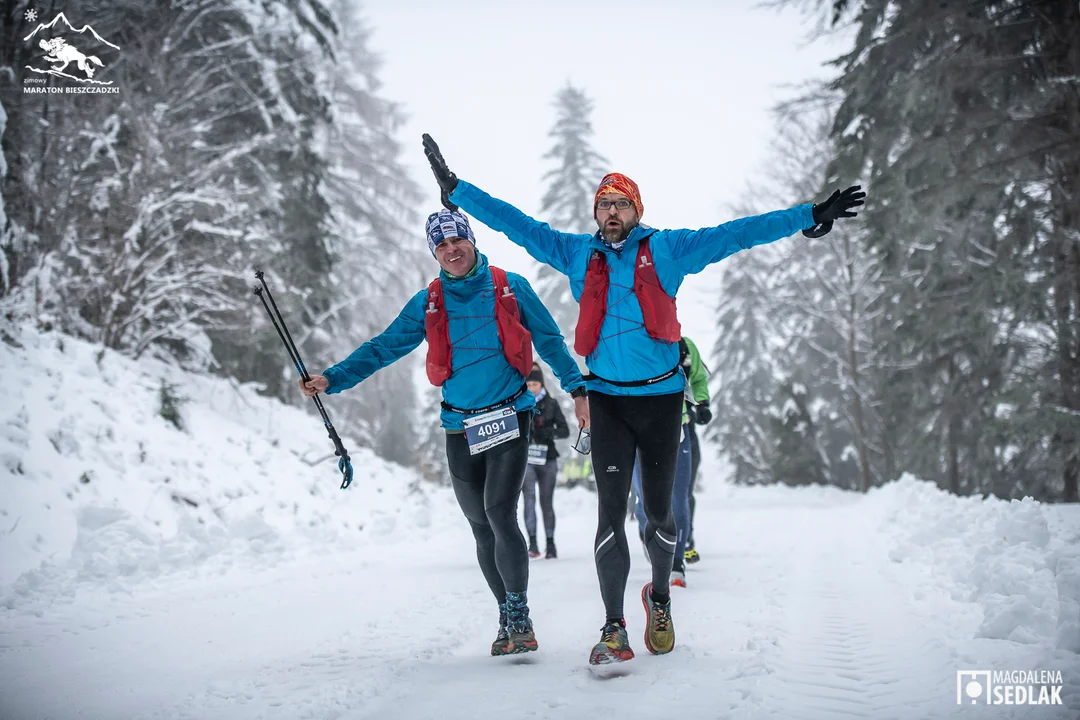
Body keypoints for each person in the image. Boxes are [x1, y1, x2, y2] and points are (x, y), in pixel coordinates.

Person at [421, 133, 864, 665]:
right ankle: (613, 628)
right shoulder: (576, 253)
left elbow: (736, 235)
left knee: (657, 515)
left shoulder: (667, 249)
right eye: (603, 203)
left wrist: (808, 214)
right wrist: (459, 191)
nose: (611, 211)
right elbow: (520, 226)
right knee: (610, 518)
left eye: (620, 203)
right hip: (607, 402)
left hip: (661, 403)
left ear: (636, 209)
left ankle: (658, 597)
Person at [299, 209, 590, 657]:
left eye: (457, 241)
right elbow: (384, 346)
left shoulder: (509, 286)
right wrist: (332, 378)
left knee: (499, 513)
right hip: (461, 425)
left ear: (470, 241)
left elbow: (549, 341)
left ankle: (520, 614)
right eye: (441, 245)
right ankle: (504, 616)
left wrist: (578, 389)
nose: (451, 250)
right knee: (480, 527)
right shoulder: (429, 300)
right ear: (434, 252)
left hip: (510, 417)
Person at [630, 336, 709, 587]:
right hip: (636, 430)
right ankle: (649, 537)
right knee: (644, 499)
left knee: (679, 497)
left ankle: (676, 562)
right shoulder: (631, 343)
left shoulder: (684, 346)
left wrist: (703, 402)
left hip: (678, 427)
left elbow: (698, 378)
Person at [523, 363, 570, 559]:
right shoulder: (521, 403)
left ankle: (550, 543)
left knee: (546, 501)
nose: (531, 388)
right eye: (528, 384)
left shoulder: (551, 403)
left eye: (534, 384)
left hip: (548, 457)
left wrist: (548, 432)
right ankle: (532, 542)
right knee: (529, 499)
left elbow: (565, 430)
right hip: (527, 459)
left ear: (541, 384)